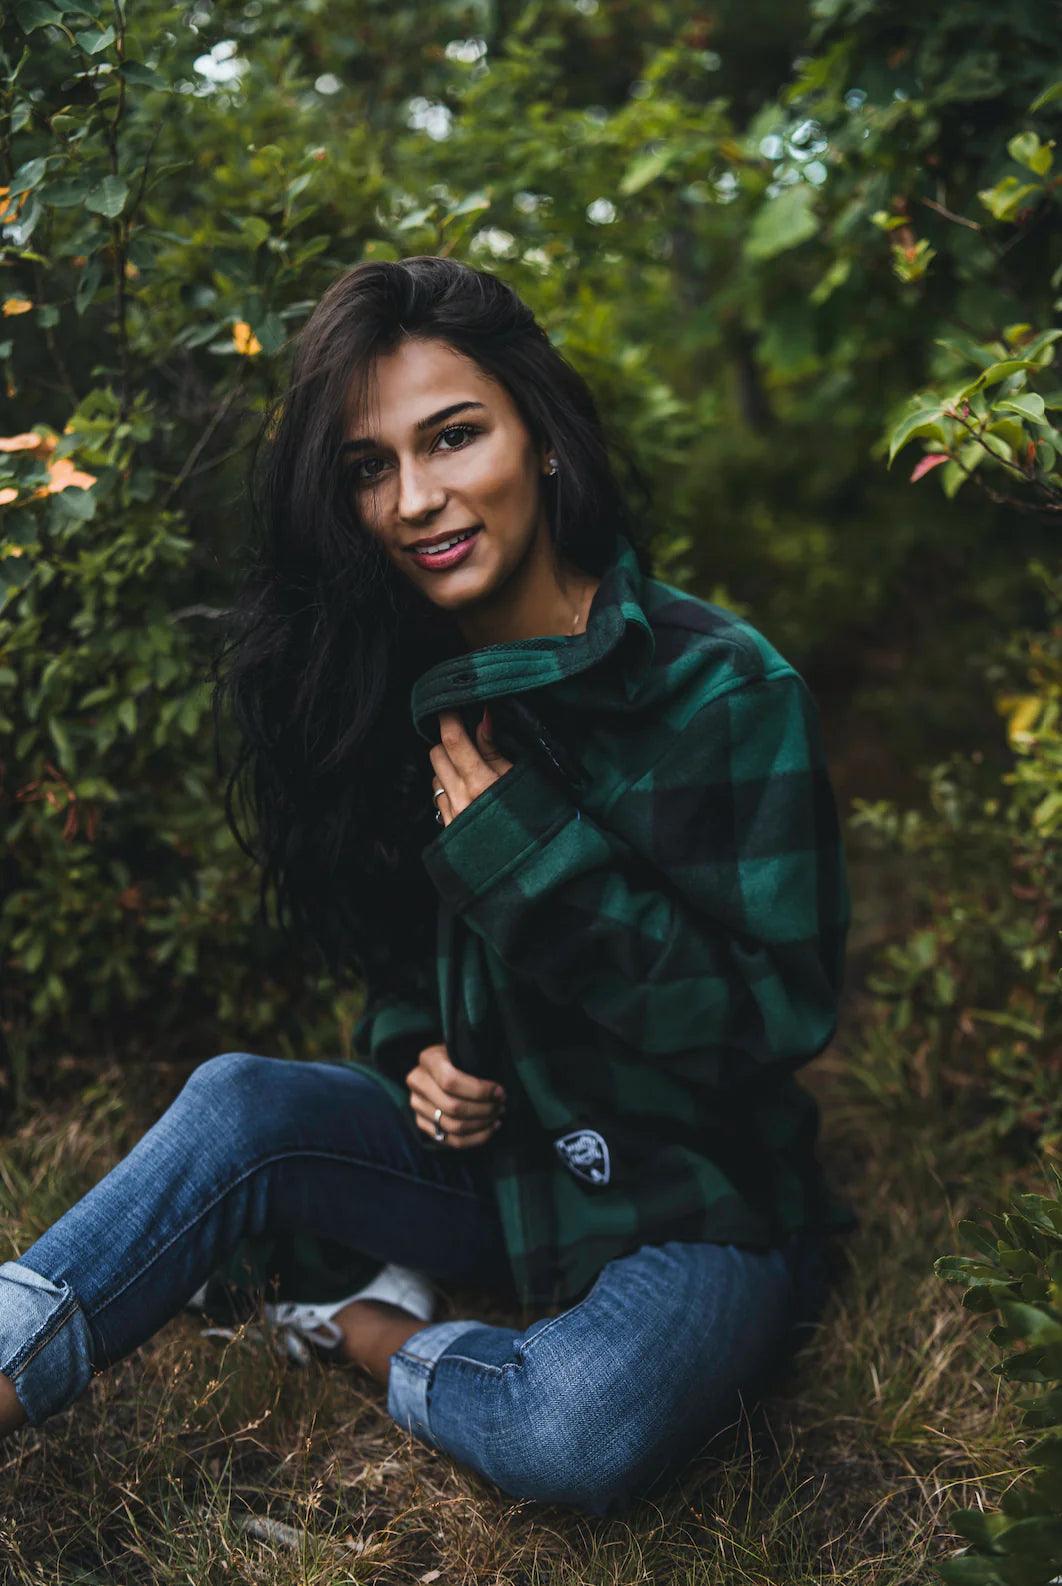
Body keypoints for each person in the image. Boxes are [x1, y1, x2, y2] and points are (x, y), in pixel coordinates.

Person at [0, 255, 853, 1515]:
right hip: (495, 1179)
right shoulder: (391, 687)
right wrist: (420, 1054)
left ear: (541, 436)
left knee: (577, 1426)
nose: (413, 499)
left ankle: (366, 1326)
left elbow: (776, 1018)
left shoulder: (718, 688)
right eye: (369, 466)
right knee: (239, 1101)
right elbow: (406, 965)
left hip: (693, 1200)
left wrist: (537, 866)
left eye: (454, 436)